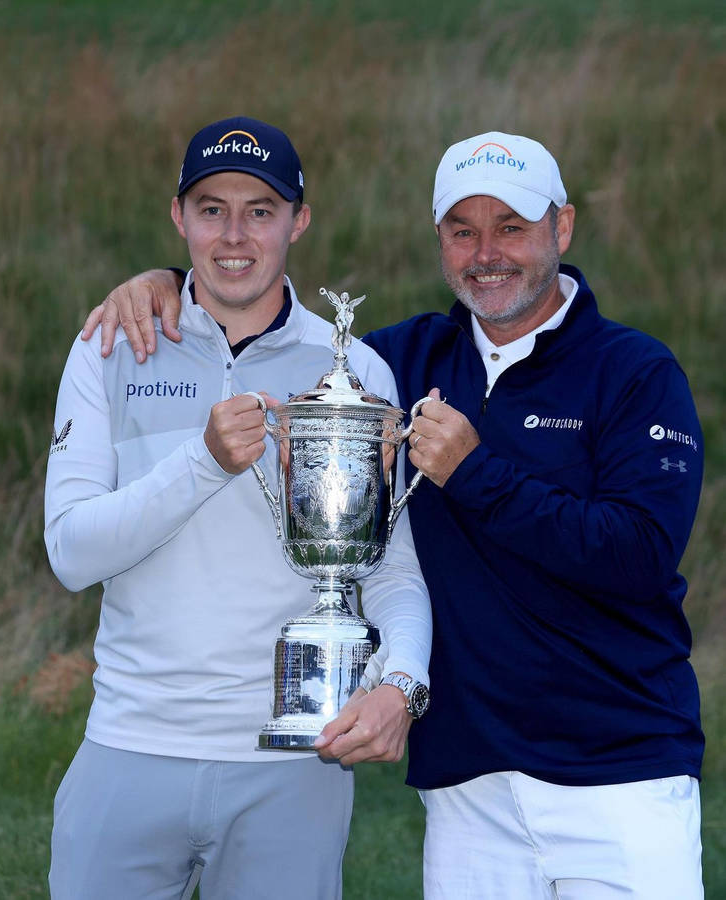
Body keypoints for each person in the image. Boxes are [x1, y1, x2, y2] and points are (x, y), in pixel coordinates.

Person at [84, 130, 705, 898]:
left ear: (561, 228)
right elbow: (271, 320)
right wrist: (165, 283)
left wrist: (476, 473)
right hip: (467, 781)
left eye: (510, 227)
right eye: (461, 230)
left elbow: (639, 555)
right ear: (439, 239)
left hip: (619, 774)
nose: (487, 252)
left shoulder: (633, 370)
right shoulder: (401, 363)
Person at [45, 116, 431, 900]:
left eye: (259, 210)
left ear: (298, 220)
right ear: (177, 217)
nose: (234, 235)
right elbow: (72, 553)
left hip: (293, 764)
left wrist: (402, 682)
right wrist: (203, 461)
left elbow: (390, 571)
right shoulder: (112, 346)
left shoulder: (353, 370)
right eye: (211, 208)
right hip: (129, 745)